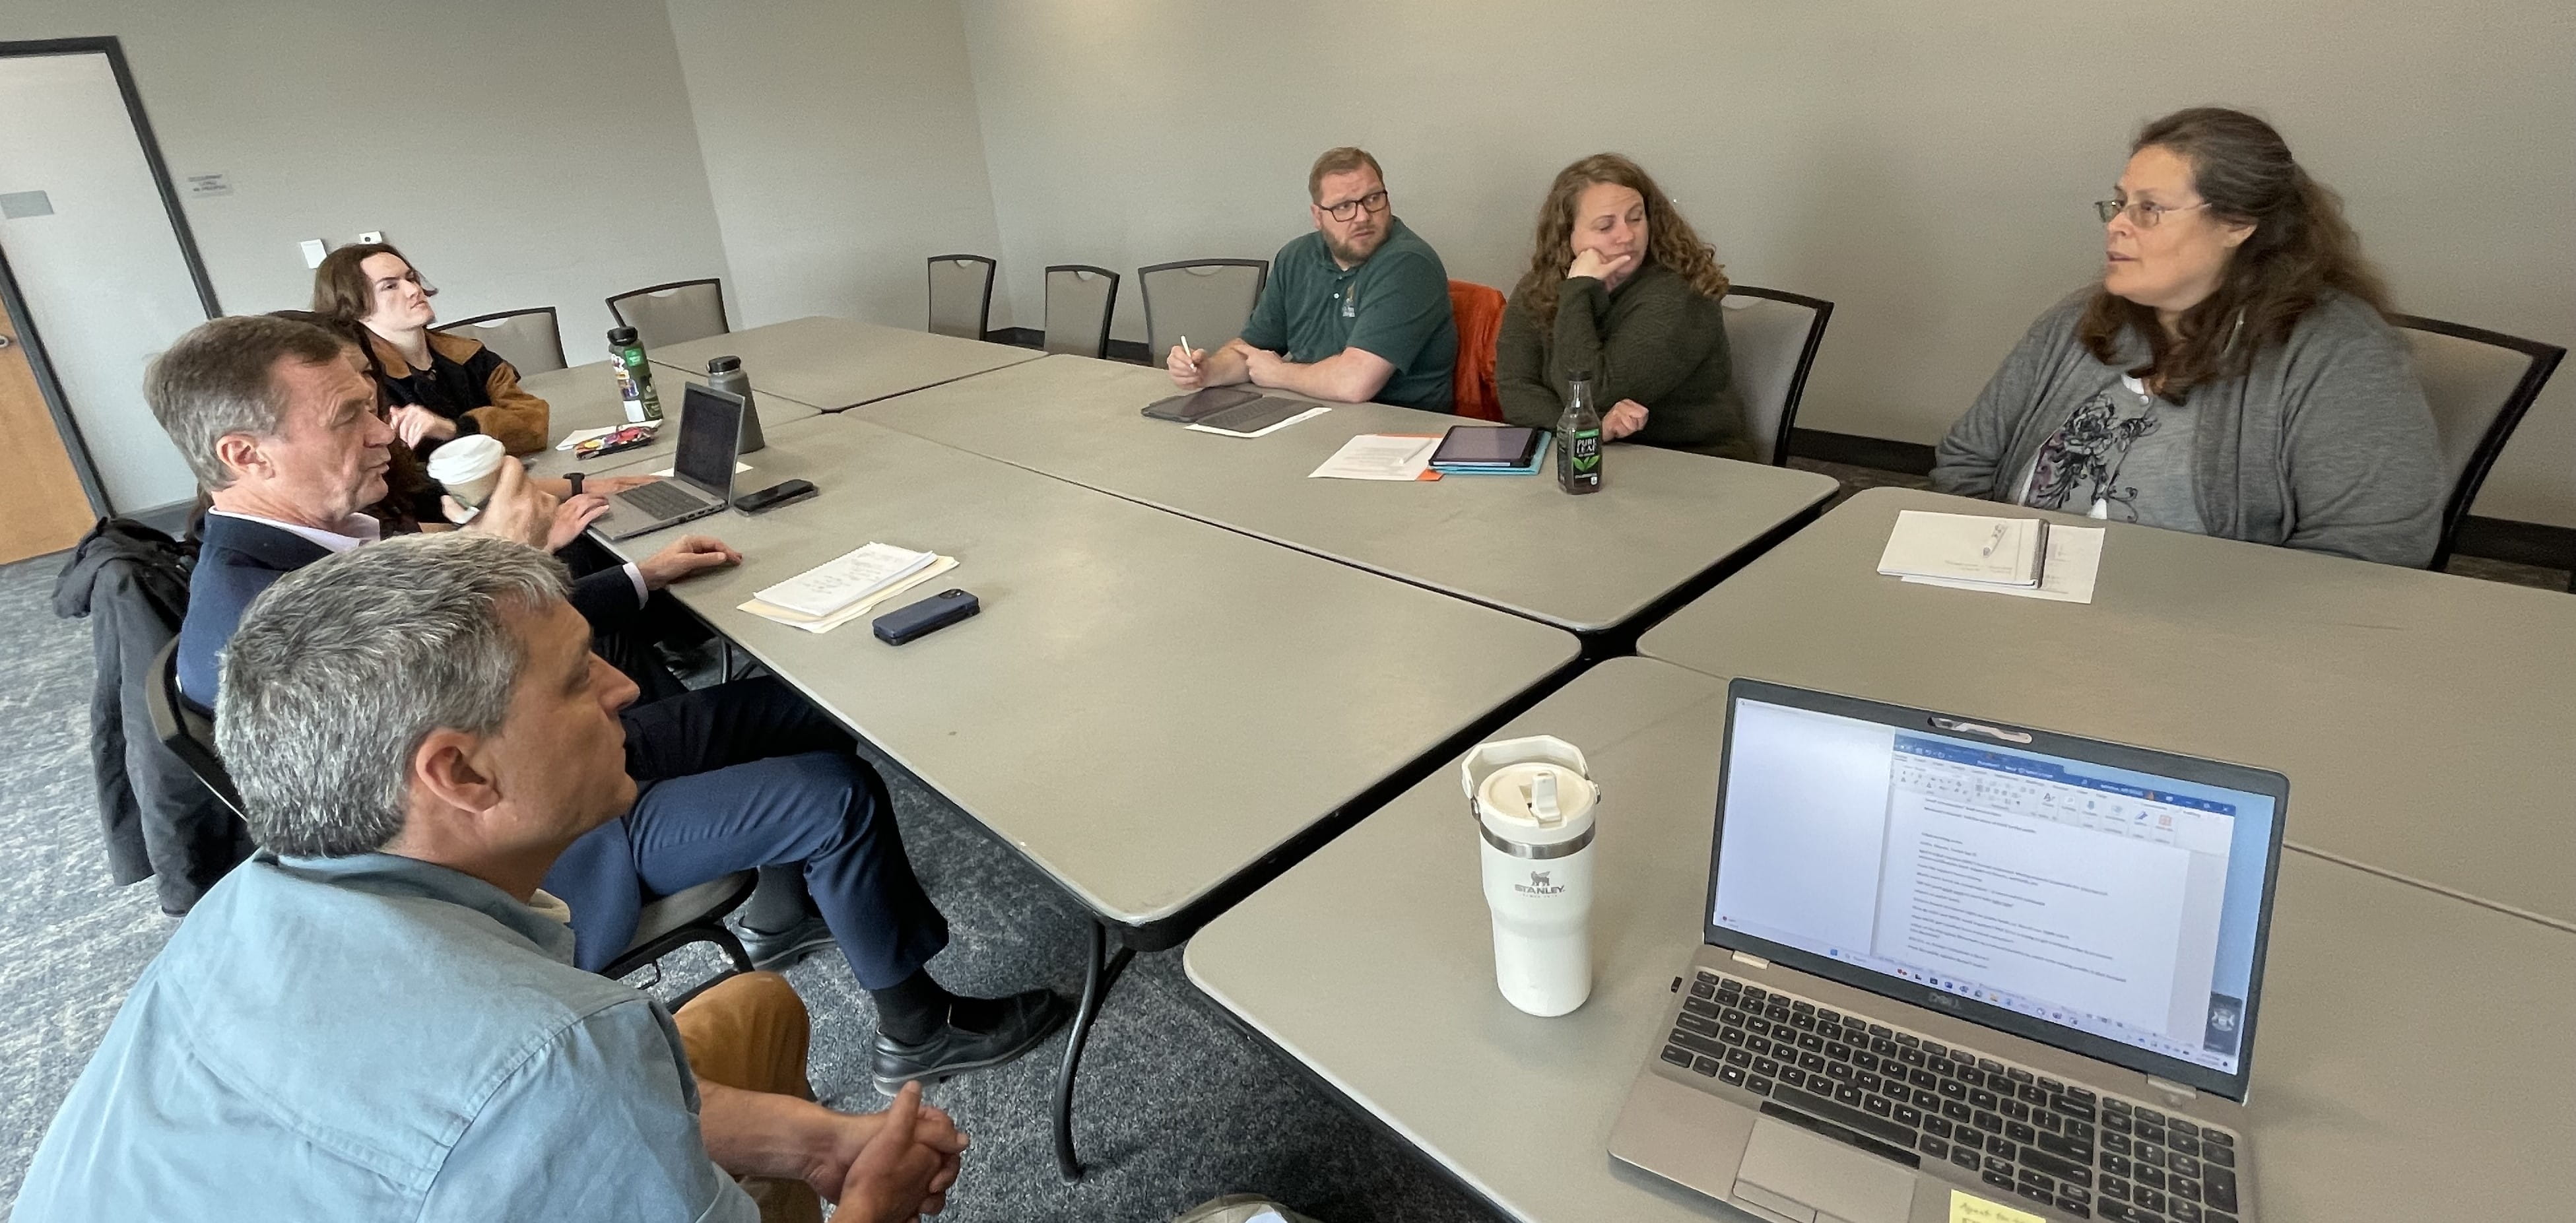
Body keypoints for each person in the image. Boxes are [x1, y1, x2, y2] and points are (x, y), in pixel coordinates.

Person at [149, 315, 1070, 1089]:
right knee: (832, 794)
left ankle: (783, 909)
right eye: (350, 414)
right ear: (244, 453)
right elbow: (446, 756)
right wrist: (510, 558)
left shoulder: (302, 551)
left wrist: (639, 577)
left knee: (801, 707)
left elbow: (465, 674)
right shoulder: (262, 624)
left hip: (557, 753)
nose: (383, 432)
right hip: (547, 836)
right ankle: (916, 1031)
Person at [13, 533, 968, 1222]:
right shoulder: (558, 1055)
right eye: (577, 677)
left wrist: (814, 1143)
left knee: (756, 1007)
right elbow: (546, 1085)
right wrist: (873, 1206)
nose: (623, 689)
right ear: (460, 773)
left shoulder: (246, 904)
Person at [1931, 107, 2443, 567]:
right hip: (2012, 600)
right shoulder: (2075, 321)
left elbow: (2369, 549)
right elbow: (1966, 460)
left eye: (2149, 208)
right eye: (2119, 204)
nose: (2117, 226)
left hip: (2202, 625)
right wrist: (1979, 570)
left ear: (2236, 224)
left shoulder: (2340, 354)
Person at [1495, 153, 1752, 459]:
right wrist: (1592, 431)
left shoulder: (1682, 294)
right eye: (1606, 227)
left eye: (1636, 218)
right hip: (1586, 451)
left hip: (1689, 459)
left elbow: (1592, 394)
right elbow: (1515, 388)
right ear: (1567, 235)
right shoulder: (1539, 285)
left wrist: (1578, 290)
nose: (1627, 236)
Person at [1166, 147, 1457, 411]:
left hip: (1396, 427)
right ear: (1318, 216)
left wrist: (1279, 373)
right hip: (1311, 413)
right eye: (1344, 206)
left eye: (1373, 199)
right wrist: (1208, 371)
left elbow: (1354, 383)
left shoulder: (1409, 263)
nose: (1362, 217)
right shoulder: (1297, 256)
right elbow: (1253, 351)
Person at [312, 241, 550, 456]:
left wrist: (455, 429)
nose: (414, 290)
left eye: (411, 278)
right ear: (353, 306)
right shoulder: (360, 381)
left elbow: (534, 427)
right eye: (390, 286)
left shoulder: (469, 355)